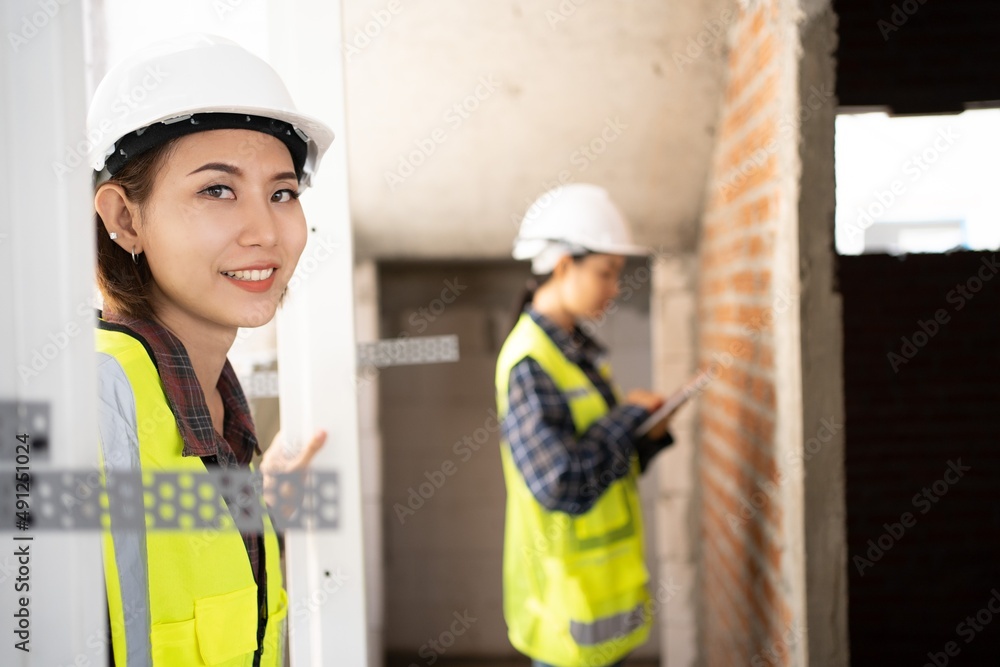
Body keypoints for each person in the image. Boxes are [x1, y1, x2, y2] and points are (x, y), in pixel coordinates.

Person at [90, 34, 333, 666]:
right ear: (125, 218)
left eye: (283, 193)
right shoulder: (85, 395)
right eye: (217, 191)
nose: (266, 231)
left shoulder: (214, 394)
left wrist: (256, 511)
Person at [496, 183, 676, 667]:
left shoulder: (575, 351)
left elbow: (602, 464)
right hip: (563, 608)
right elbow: (562, 483)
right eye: (605, 273)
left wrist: (646, 437)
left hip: (598, 605)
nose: (615, 289)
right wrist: (629, 416)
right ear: (562, 266)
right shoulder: (530, 363)